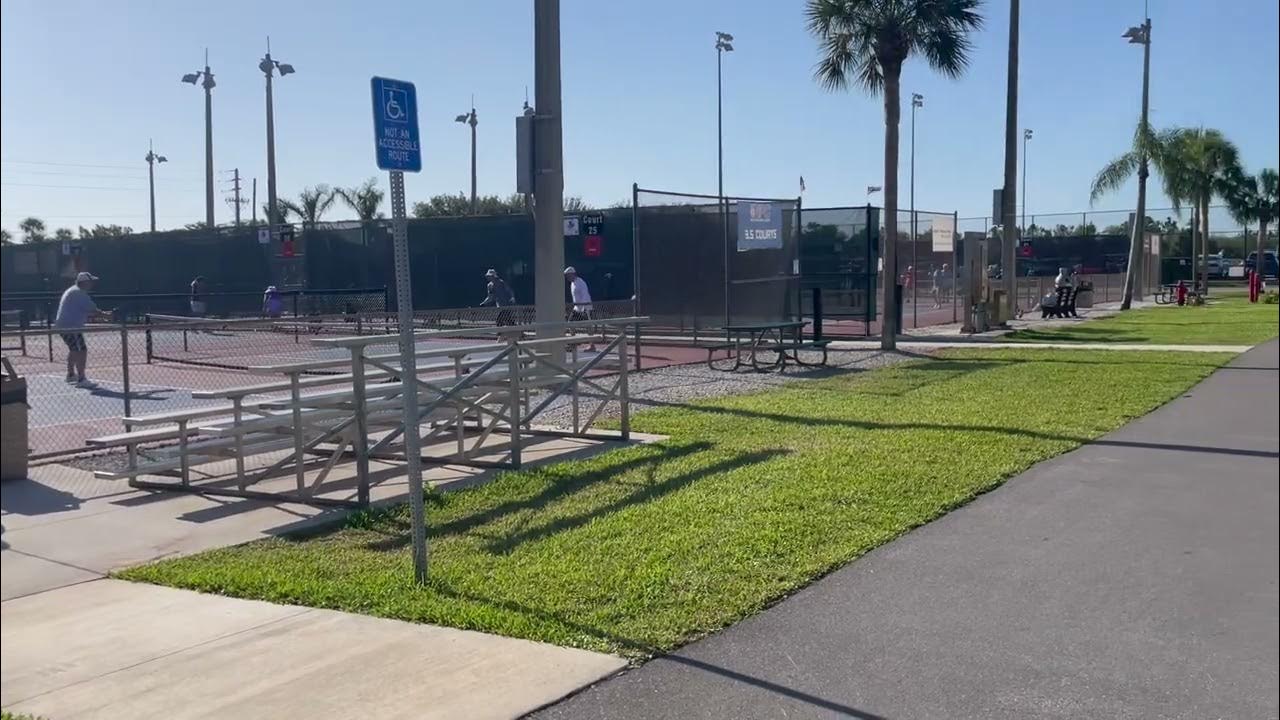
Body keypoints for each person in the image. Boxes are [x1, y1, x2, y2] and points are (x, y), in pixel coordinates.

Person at [54, 272, 111, 387]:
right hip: (71, 327)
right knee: (81, 350)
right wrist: (106, 315)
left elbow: (86, 311)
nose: (92, 284)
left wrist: (102, 315)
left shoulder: (73, 290)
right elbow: (93, 310)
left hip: (64, 326)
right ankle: (81, 379)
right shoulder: (79, 293)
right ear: (85, 282)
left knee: (74, 349)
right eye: (90, 282)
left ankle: (70, 375)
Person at [564, 266, 596, 351]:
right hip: (577, 308)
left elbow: (585, 295)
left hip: (586, 308)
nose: (567, 277)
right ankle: (573, 343)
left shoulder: (581, 282)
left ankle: (592, 345)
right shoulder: (572, 284)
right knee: (570, 323)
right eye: (566, 276)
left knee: (588, 326)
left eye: (568, 275)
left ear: (573, 274)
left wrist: (583, 309)